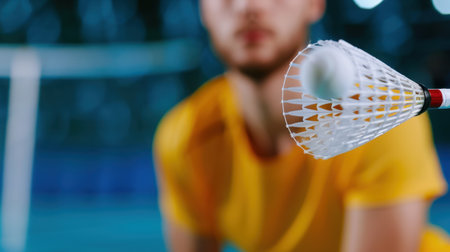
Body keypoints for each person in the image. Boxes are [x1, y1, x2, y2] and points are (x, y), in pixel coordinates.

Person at [154, 0, 449, 251]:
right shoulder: (185, 136)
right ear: (203, 9)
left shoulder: (382, 121)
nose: (249, 6)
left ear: (314, 3)